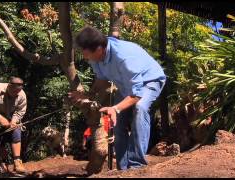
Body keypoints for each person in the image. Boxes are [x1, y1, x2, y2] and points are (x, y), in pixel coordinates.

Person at [68, 26, 166, 170]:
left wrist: (116, 108)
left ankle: (136, 165)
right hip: (126, 86)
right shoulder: (95, 58)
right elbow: (102, 80)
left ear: (99, 48)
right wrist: (87, 95)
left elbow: (137, 94)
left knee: (140, 109)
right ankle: (123, 167)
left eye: (86, 53)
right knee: (117, 122)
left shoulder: (124, 57)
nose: (85, 57)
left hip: (149, 81)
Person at [0, 76, 27, 174]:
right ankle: (3, 164)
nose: (16, 94)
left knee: (16, 133)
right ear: (9, 86)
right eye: (14, 91)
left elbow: (20, 111)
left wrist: (14, 121)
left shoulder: (22, 95)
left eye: (18, 92)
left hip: (11, 118)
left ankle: (17, 162)